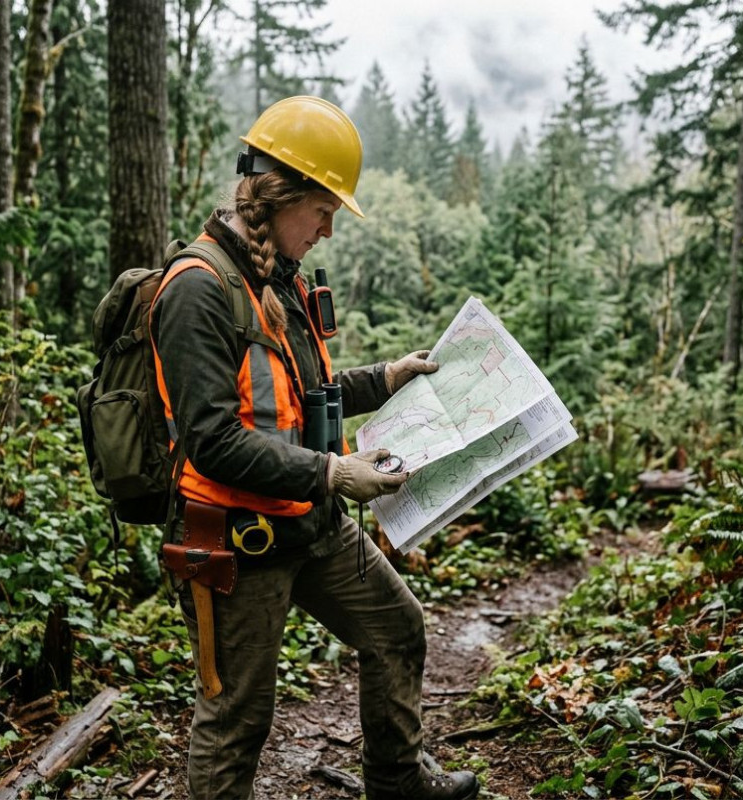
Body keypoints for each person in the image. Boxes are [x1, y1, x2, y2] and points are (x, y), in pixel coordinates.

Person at [150, 95, 480, 800]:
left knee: (397, 628)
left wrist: (389, 378)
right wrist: (332, 470)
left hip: (311, 523)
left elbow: (301, 396)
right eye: (323, 211)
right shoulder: (197, 290)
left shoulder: (281, 278)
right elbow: (211, 442)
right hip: (236, 544)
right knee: (237, 718)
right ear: (280, 196)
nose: (329, 229)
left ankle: (398, 785)